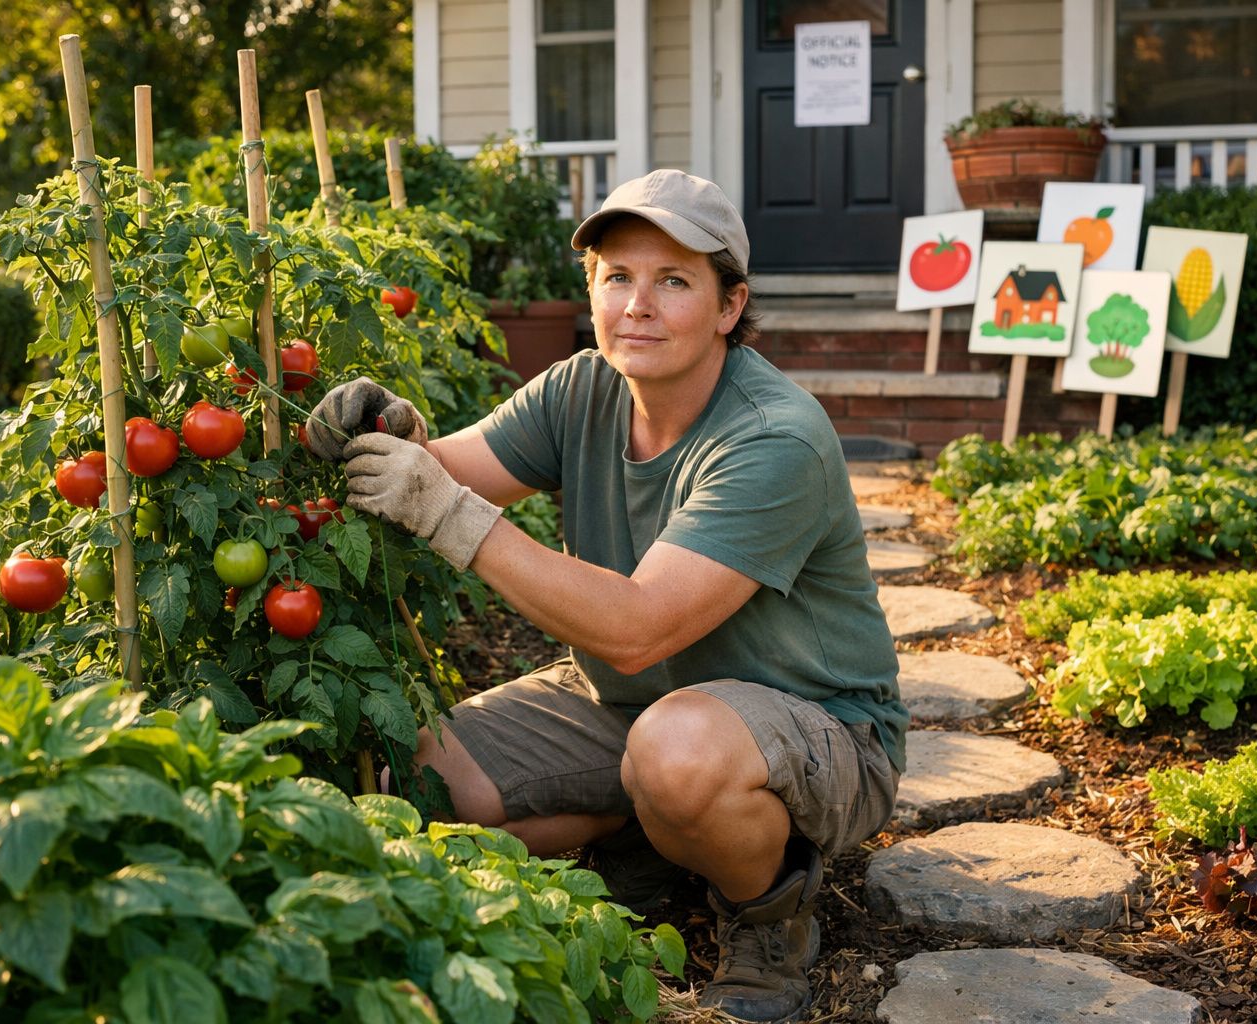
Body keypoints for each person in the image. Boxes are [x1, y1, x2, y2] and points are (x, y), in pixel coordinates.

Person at [306, 168, 907, 1024]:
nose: (639, 305)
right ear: (591, 290)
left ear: (730, 307)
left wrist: (444, 512)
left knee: (680, 756)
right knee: (423, 785)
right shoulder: (581, 389)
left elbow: (637, 631)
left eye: (673, 280)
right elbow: (445, 469)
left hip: (816, 728)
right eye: (618, 276)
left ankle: (769, 914)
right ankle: (657, 835)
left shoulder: (774, 438)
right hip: (627, 705)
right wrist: (392, 434)